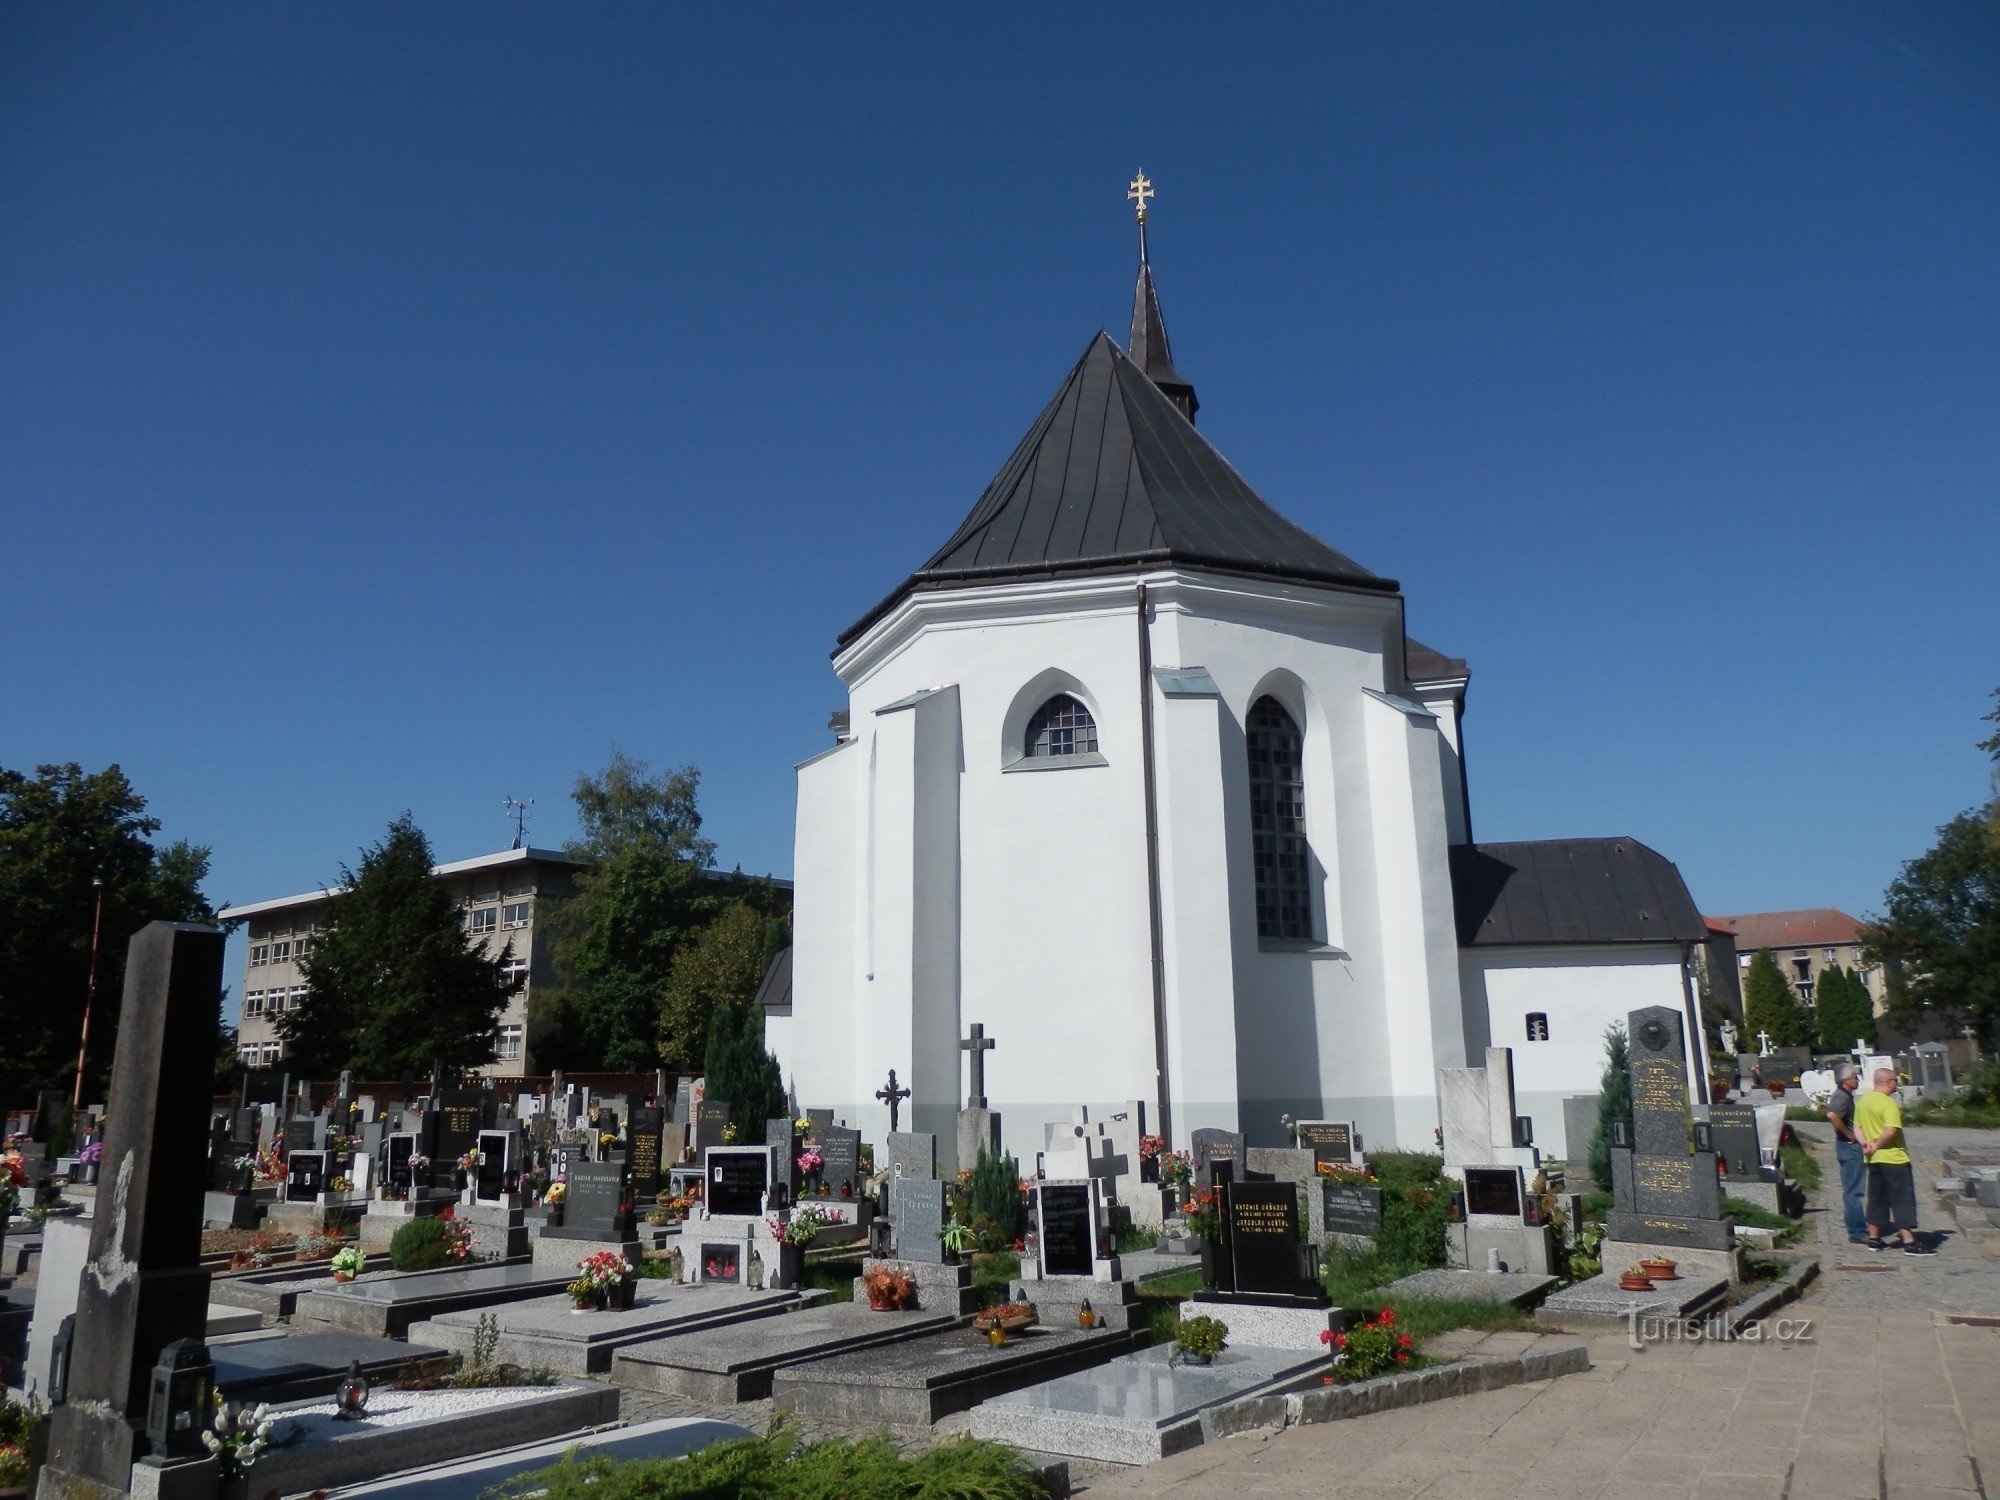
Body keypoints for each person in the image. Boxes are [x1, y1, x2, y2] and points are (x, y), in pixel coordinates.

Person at [1856, 1066, 1932, 1254]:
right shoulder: (1888, 1104)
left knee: (1876, 1198)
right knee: (1901, 1199)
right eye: (1896, 1081)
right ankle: (1909, 1242)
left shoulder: (1864, 1101)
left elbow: (1857, 1126)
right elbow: (1890, 1131)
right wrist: (1877, 1145)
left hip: (1873, 1159)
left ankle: (1874, 1238)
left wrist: (1865, 1143)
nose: (1897, 1084)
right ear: (1889, 1083)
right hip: (1893, 1158)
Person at [1823, 1065, 1868, 1243]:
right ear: (1845, 1081)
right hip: (1849, 1147)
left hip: (1846, 1147)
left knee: (1852, 1189)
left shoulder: (1845, 1095)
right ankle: (1857, 1231)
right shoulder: (1841, 1096)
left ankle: (1856, 1227)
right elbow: (1832, 1115)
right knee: (1854, 1191)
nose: (1857, 1080)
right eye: (1855, 1078)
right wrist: (1849, 1134)